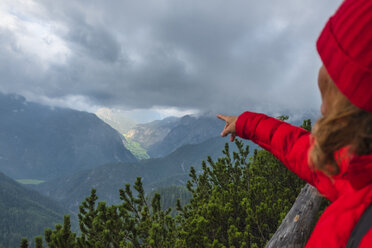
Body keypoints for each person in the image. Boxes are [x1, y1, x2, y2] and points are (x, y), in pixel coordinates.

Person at [218, 0, 372, 247]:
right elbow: (301, 151)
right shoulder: (359, 171)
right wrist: (246, 124)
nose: (322, 109)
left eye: (333, 96)